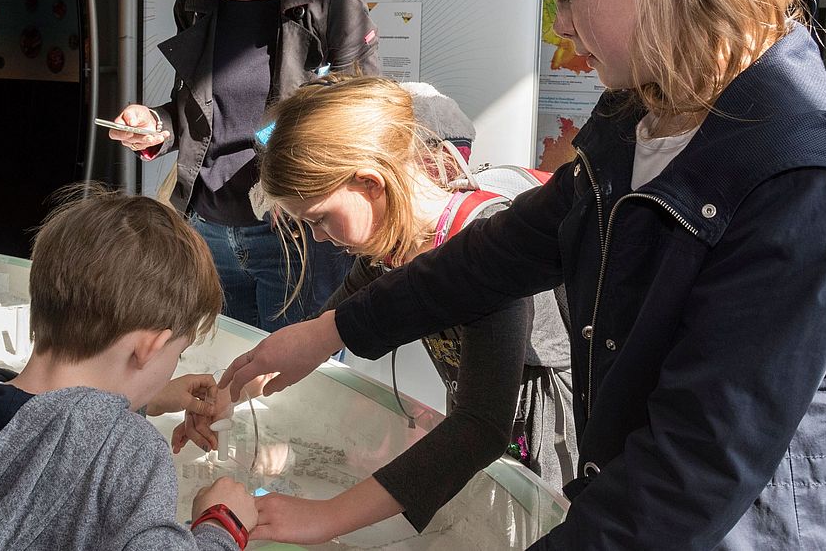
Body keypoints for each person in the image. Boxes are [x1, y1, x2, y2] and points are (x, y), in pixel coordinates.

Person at [220, 0, 826, 548]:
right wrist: (331, 332)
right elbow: (502, 253)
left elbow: (692, 470)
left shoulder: (800, 182)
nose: (561, 29)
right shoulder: (632, 115)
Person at [177, 76, 578, 543]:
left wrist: (326, 516)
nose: (322, 237)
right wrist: (229, 397)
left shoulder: (486, 238)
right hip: (476, 437)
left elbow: (482, 426)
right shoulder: (389, 250)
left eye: (321, 219)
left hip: (547, 437)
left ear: (371, 183)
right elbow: (312, 343)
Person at [0, 188, 258, 550]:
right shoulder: (131, 452)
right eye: (176, 354)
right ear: (150, 347)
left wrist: (148, 400)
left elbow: (40, 433)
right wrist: (223, 525)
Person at [107, 0, 380, 332]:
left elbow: (362, 119)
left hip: (294, 238)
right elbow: (201, 110)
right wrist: (157, 125)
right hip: (207, 231)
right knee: (222, 370)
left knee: (290, 382)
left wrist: (280, 157)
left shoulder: (332, 2)